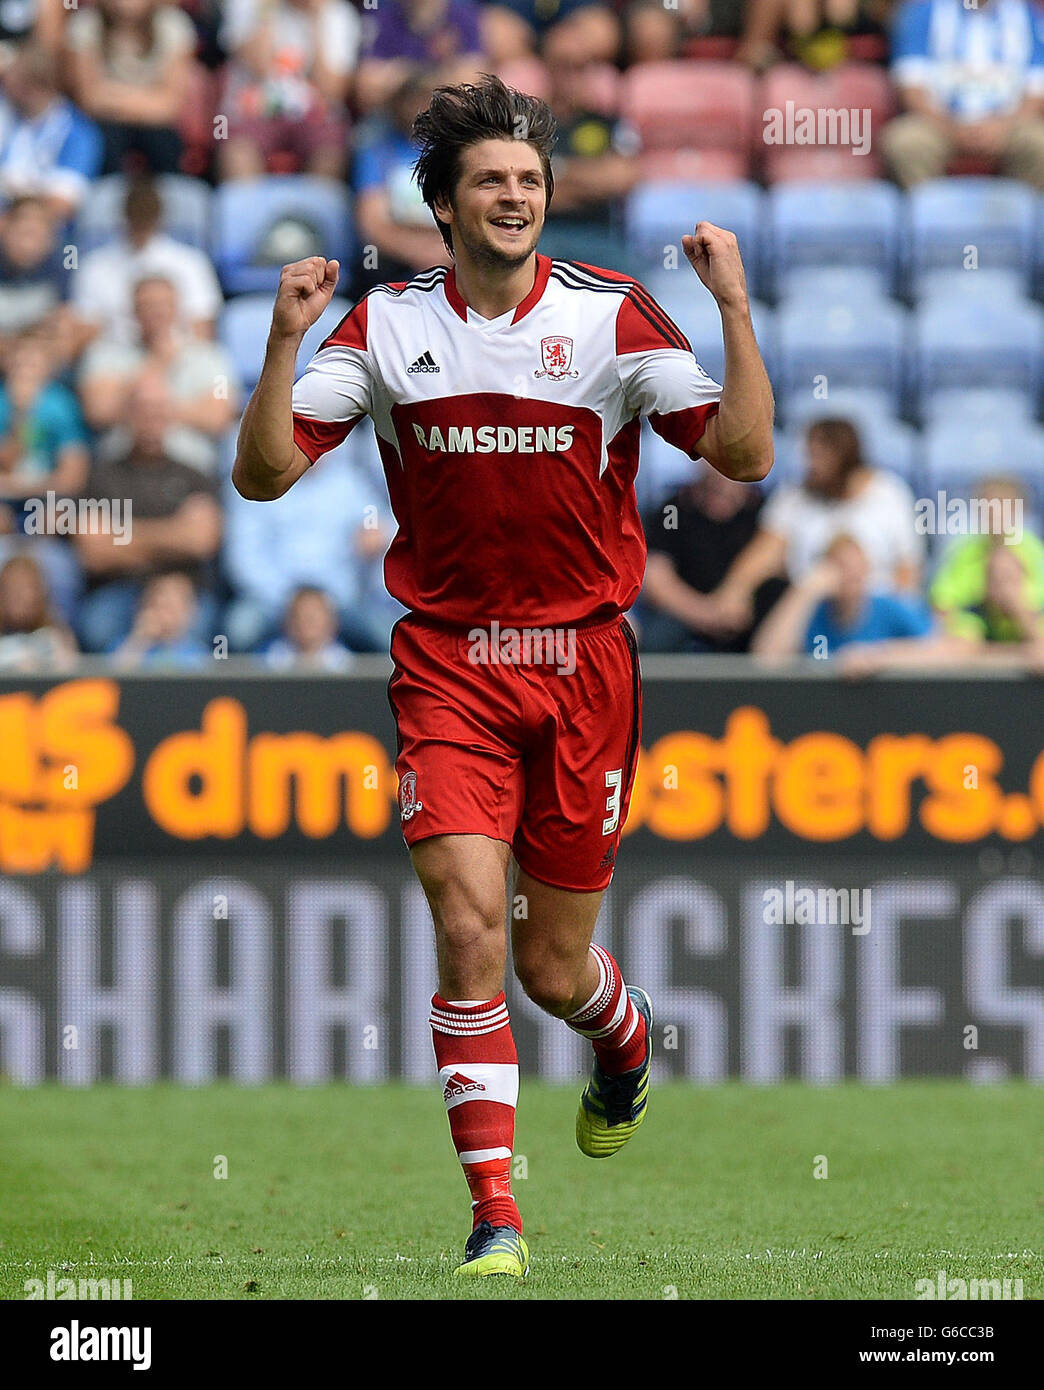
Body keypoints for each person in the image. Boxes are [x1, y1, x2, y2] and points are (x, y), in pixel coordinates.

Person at [234, 74, 773, 1278]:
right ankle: (496, 1215)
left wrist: (734, 311)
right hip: (451, 666)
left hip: (584, 666)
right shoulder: (383, 328)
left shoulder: (612, 315)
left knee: (549, 963)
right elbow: (263, 476)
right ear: (446, 202)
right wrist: (281, 342)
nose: (517, 197)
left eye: (530, 180)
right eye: (493, 181)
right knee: (472, 933)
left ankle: (623, 1043)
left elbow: (743, 451)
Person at [703, 417, 921, 639]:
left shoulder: (889, 494)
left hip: (874, 620)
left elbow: (908, 573)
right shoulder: (794, 498)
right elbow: (764, 553)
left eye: (819, 456)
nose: (811, 464)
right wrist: (736, 590)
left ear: (845, 457)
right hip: (807, 616)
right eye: (809, 455)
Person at [76, 376, 222, 652]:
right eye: (143, 410)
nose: (151, 418)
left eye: (158, 410)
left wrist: (121, 536)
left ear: (170, 416)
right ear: (128, 415)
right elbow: (93, 552)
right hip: (120, 591)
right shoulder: (102, 476)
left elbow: (202, 541)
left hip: (184, 591)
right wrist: (175, 533)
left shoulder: (193, 475)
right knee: (97, 627)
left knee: (203, 631)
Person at [79, 273, 240, 475]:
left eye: (163, 304)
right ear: (133, 310)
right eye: (147, 305)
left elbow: (219, 417)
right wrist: (159, 362)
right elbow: (99, 411)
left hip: (192, 469)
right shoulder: (104, 355)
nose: (156, 312)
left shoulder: (211, 358)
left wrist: (141, 410)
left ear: (177, 307)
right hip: (121, 470)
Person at [883, 0, 1044, 189]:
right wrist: (951, 128)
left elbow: (1036, 89)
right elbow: (911, 87)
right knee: (905, 142)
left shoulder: (1027, 14)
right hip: (939, 123)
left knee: (1039, 142)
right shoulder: (921, 13)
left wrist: (1002, 127)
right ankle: (931, 216)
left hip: (1009, 125)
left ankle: (1018, 216)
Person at [640, 458, 779, 652]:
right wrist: (706, 615)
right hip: (684, 613)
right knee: (657, 640)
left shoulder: (765, 512)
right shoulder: (673, 510)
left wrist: (736, 599)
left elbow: (775, 561)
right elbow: (656, 579)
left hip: (746, 613)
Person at [217, 0, 360, 180]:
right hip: (253, 111)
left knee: (330, 156)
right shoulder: (245, 4)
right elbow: (259, 66)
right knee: (238, 154)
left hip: (315, 115)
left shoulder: (339, 13)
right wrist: (268, 9)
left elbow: (331, 91)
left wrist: (317, 21)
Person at [73, 177, 224, 346]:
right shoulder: (94, 266)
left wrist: (163, 355)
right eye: (136, 213)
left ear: (160, 216)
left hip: (178, 355)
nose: (141, 218)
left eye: (147, 213)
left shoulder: (192, 262)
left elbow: (203, 330)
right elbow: (85, 333)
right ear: (124, 215)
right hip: (117, 357)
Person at [751, 532, 934, 660]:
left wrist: (879, 656)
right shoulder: (812, 613)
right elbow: (767, 658)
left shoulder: (888, 608)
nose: (851, 575)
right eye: (842, 567)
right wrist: (806, 591)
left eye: (857, 568)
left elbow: (936, 648)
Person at [64, 0, 197, 176]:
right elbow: (89, 99)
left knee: (164, 143)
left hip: (157, 126)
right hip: (104, 125)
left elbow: (171, 107)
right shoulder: (85, 24)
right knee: (105, 139)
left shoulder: (174, 24)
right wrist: (150, 99)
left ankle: (167, 199)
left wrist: (111, 95)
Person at [0, 46, 104, 221]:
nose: (4, 85)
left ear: (33, 86)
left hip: (42, 233)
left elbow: (62, 204)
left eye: (11, 80)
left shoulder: (79, 134)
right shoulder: (5, 111)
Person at [112, 568, 210, 667]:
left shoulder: (198, 653)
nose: (164, 615)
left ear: (191, 610)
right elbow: (116, 673)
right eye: (157, 605)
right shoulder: (127, 645)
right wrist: (140, 639)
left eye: (171, 607)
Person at [0, 550, 77, 670]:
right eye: (13, 589)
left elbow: (68, 674)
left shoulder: (57, 637)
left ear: (41, 593)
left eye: (27, 588)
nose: (22, 597)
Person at [264, 584, 354, 670]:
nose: (306, 622)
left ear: (332, 621)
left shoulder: (350, 664)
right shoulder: (266, 661)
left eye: (312, 617)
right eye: (299, 616)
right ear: (287, 621)